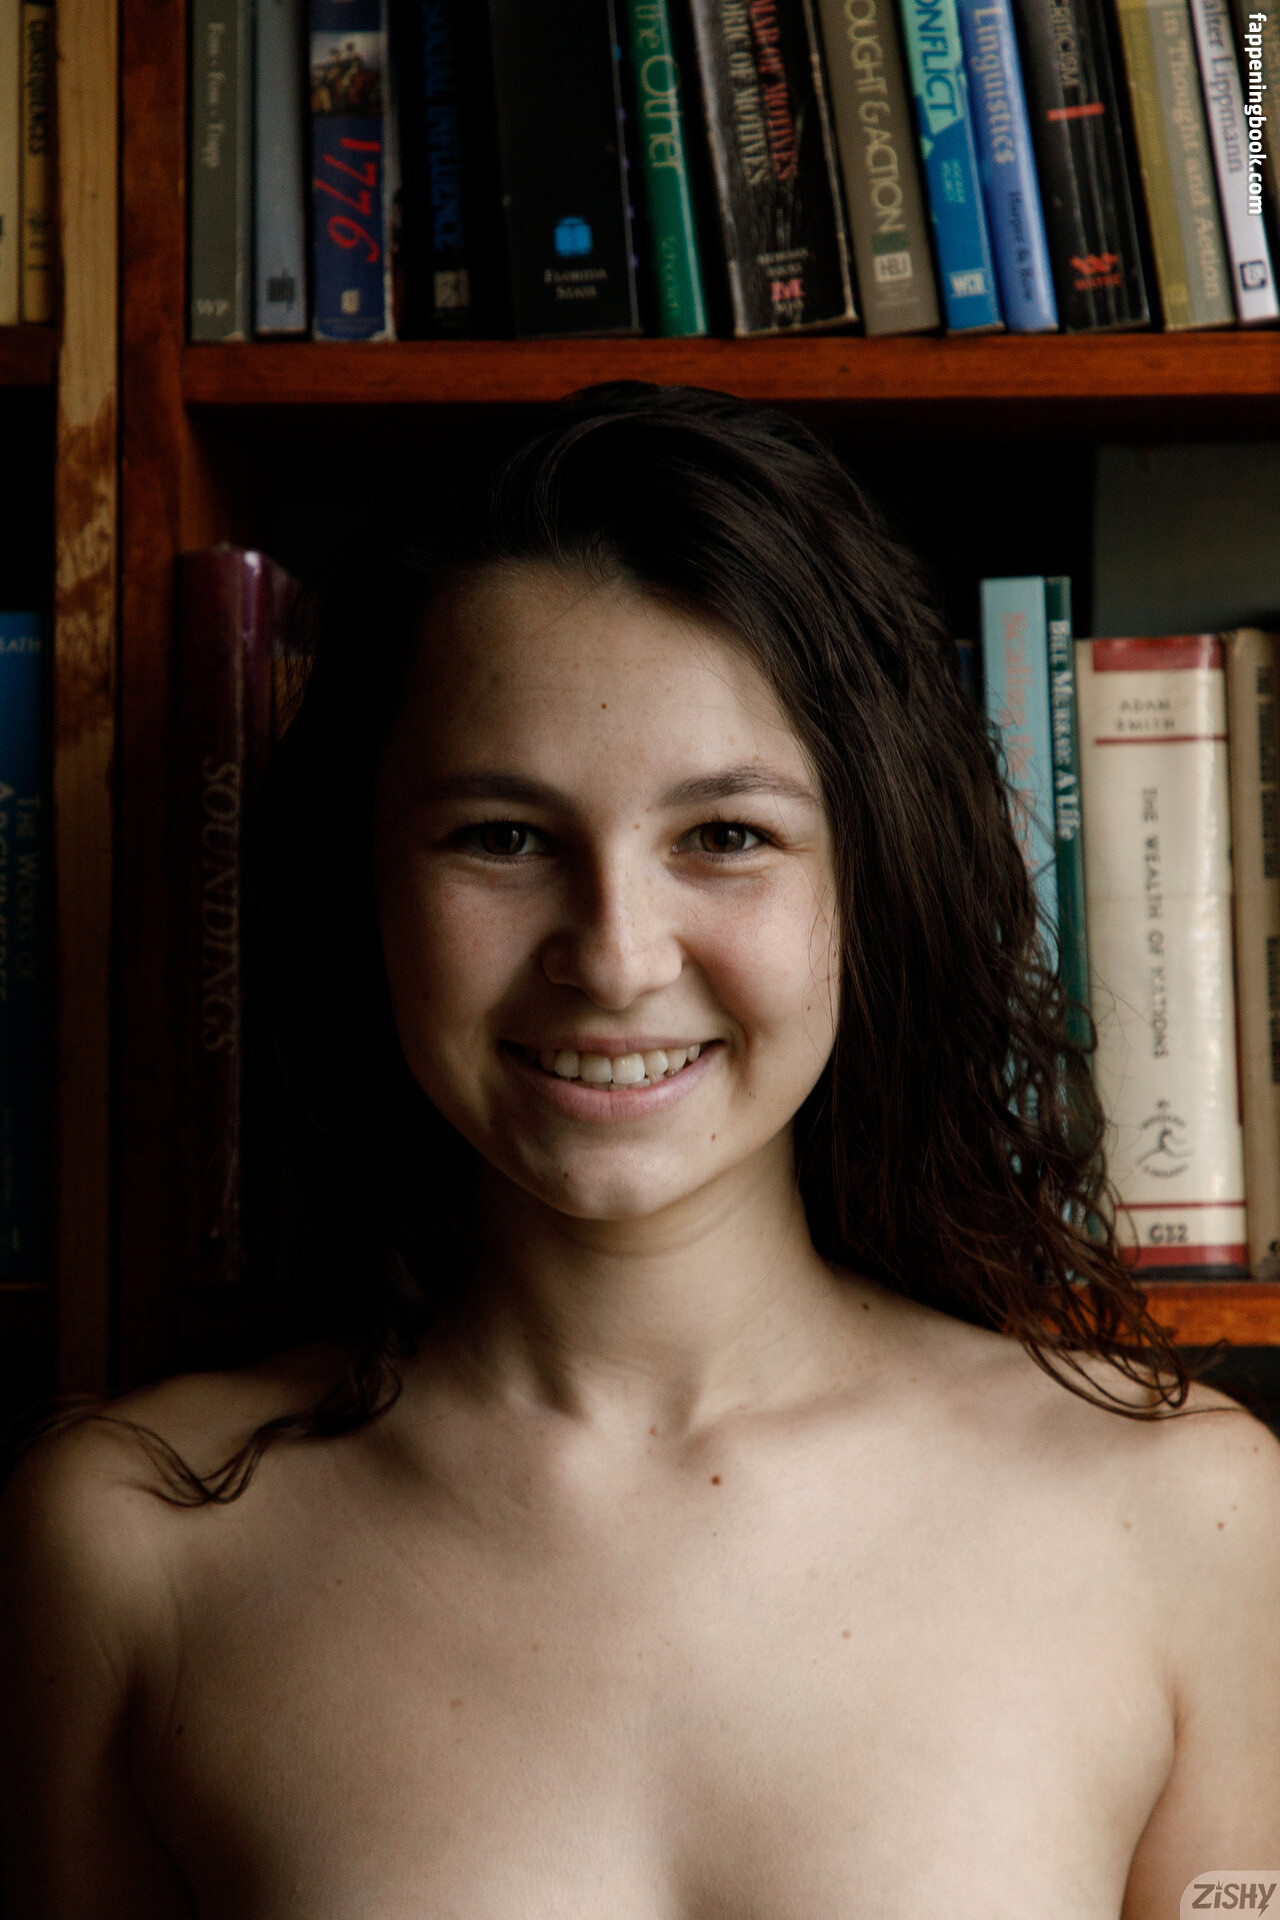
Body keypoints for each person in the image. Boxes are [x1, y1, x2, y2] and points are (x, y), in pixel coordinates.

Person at [3, 384, 1278, 1918]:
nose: (614, 958)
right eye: (502, 837)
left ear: (870, 877)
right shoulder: (137, 1542)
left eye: (725, 836)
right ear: (364, 886)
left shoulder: (1188, 1519)